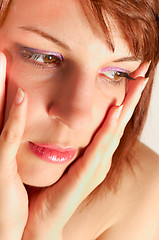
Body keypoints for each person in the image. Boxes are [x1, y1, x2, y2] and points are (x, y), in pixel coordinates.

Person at [0, 0, 159, 239]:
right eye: (44, 58)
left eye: (117, 74)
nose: (77, 117)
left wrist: (43, 231)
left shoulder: (144, 192)